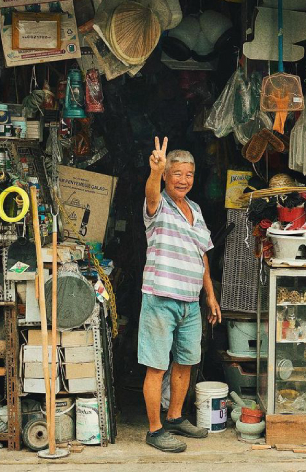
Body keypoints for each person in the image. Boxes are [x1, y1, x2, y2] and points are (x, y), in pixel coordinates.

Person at [138, 137, 222, 453]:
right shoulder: (157, 204)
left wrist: (209, 296)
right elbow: (149, 195)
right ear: (166, 176)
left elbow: (202, 254)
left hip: (190, 301)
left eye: (188, 174)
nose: (183, 180)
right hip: (160, 296)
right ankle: (155, 429)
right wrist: (154, 173)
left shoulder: (196, 210)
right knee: (156, 365)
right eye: (176, 174)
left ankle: (174, 416)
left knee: (186, 362)